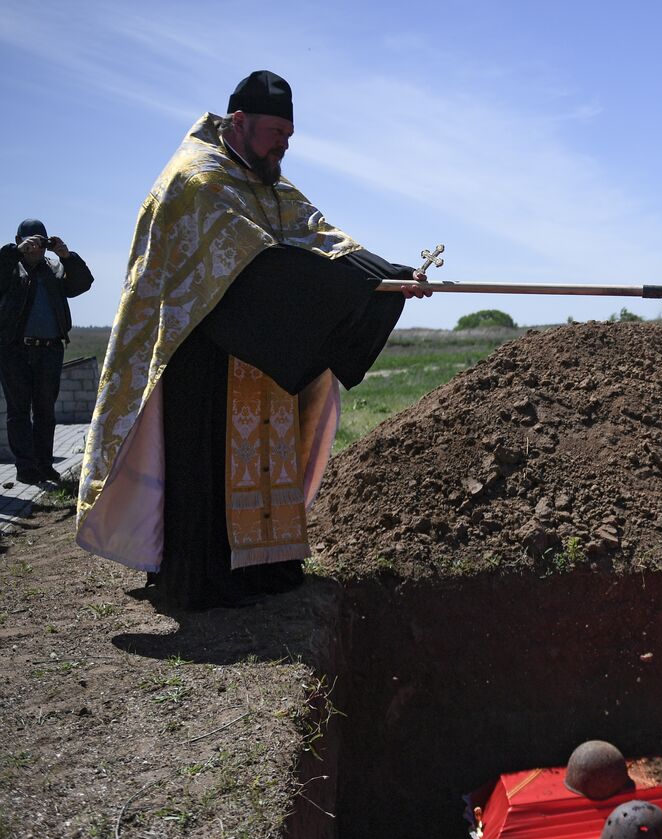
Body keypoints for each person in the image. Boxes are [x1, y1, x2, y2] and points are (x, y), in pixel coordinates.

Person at [77, 70, 432, 610]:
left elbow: (321, 236)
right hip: (199, 352)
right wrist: (354, 284)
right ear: (238, 123)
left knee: (267, 460)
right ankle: (204, 579)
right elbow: (255, 261)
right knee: (205, 468)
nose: (283, 146)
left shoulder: (270, 184)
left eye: (289, 137)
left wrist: (388, 277)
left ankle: (266, 568)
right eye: (274, 134)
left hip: (261, 351)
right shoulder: (197, 179)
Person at [0, 219, 94, 485]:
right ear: (18, 240)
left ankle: (44, 465)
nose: (35, 248)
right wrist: (14, 252)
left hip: (50, 349)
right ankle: (25, 468)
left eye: (40, 242)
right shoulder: (9, 268)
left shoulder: (54, 268)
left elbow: (82, 285)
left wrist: (68, 257)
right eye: (29, 242)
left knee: (45, 411)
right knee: (19, 411)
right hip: (15, 350)